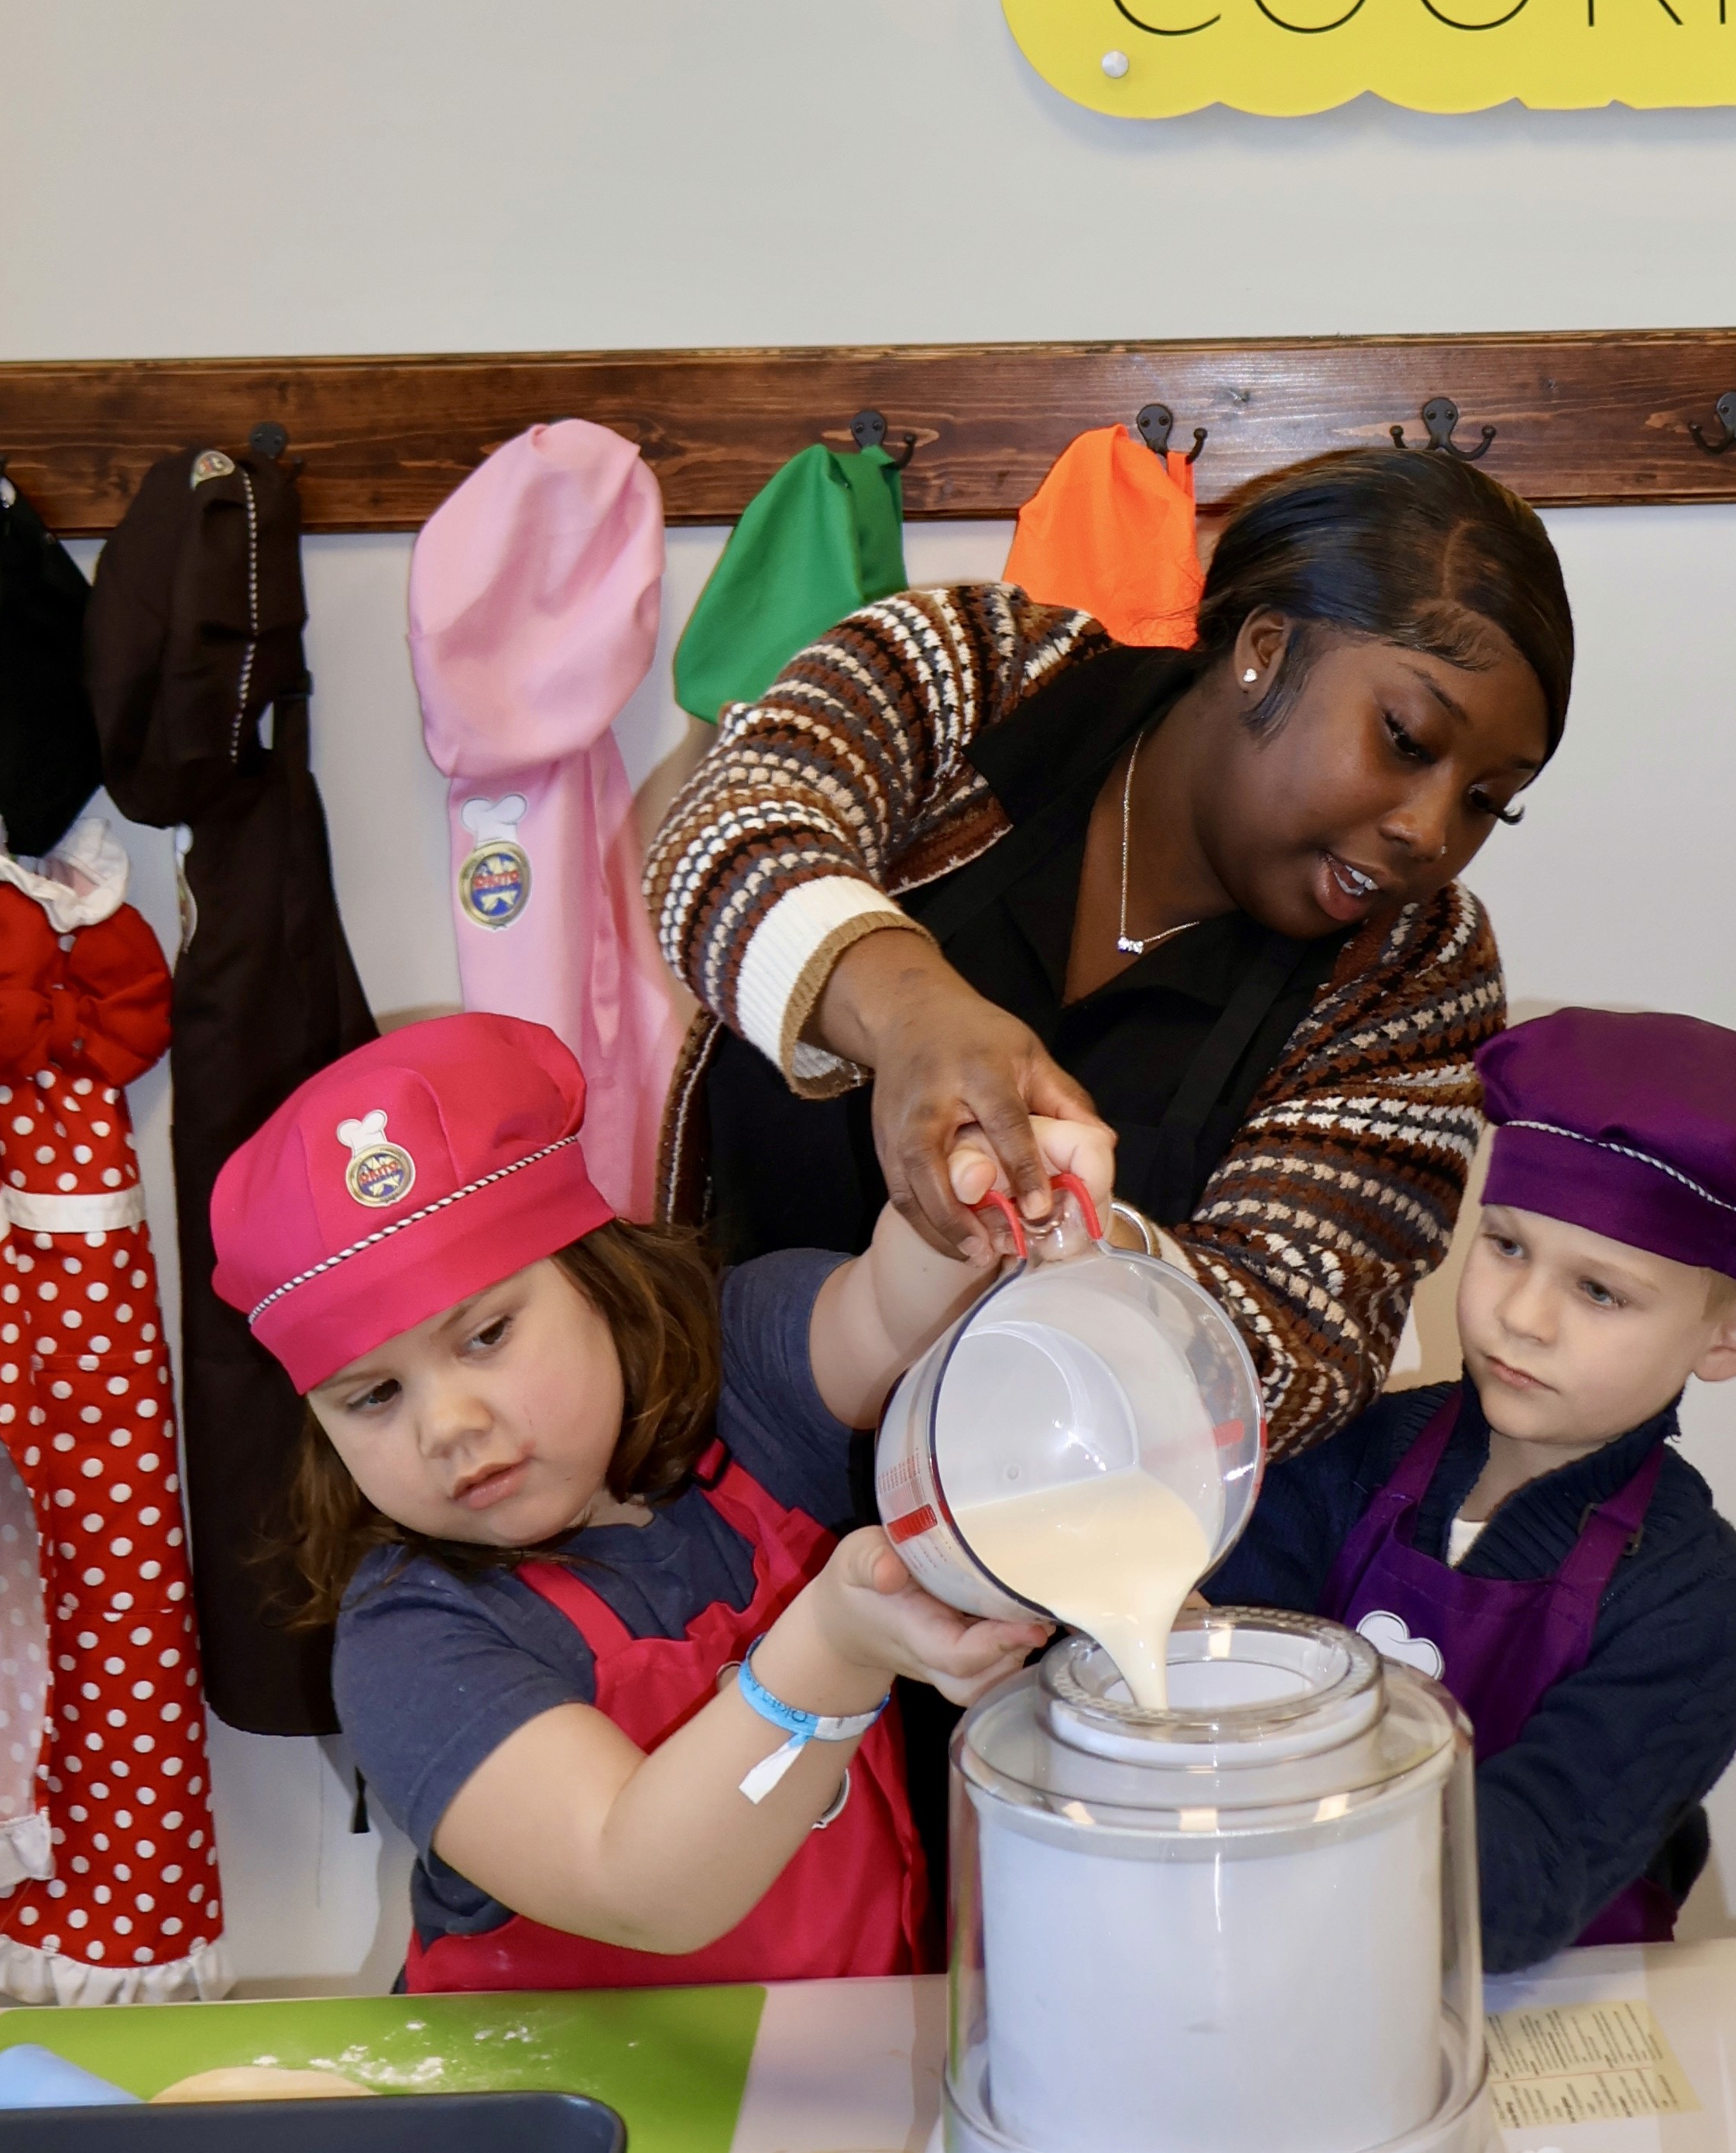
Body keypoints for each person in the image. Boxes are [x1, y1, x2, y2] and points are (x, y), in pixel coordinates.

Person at [644, 447, 1573, 1459]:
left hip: (1040, 1537)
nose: (1431, 832)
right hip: (707, 1459)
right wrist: (909, 1011)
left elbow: (1300, 1345)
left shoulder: (1416, 967)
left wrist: (1088, 1244)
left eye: (1489, 801)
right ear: (1266, 649)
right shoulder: (974, 675)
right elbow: (719, 842)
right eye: (1406, 738)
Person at [210, 1008, 1100, 1985]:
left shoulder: (747, 1379)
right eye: (374, 1396)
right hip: (560, 2110)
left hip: (845, 2075)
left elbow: (895, 1306)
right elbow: (640, 1886)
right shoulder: (414, 1641)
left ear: (596, 1278)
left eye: (487, 1336)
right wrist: (834, 1648)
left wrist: (973, 1188)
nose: (446, 1427)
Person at [1204, 1008, 1736, 1973]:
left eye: (1599, 1292)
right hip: (1263, 1969)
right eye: (1507, 1246)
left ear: (1731, 1339)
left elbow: (1513, 1894)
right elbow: (1203, 1700)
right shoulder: (1336, 1452)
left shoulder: (1697, 1604)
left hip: (1548, 2030)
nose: (1520, 1316)